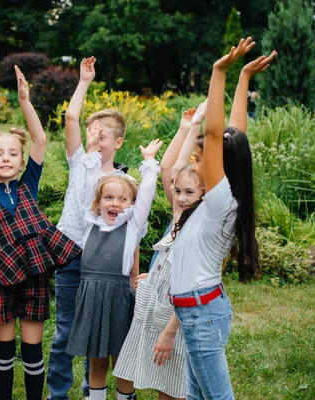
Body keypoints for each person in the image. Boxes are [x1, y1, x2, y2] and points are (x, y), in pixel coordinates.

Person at [169, 38, 277, 399]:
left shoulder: (219, 201)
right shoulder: (223, 196)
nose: (194, 164)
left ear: (218, 167)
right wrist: (243, 78)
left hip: (201, 314)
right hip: (197, 312)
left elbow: (216, 134)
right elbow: (233, 135)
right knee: (198, 395)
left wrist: (219, 73)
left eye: (200, 160)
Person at [0, 66, 80, 400]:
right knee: (3, 351)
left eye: (13, 154)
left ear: (21, 163)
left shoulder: (27, 186)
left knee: (32, 351)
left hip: (33, 277)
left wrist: (24, 100)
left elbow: (41, 139)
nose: (6, 158)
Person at [47, 57, 132, 400]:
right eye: (92, 132)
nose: (96, 138)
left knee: (95, 332)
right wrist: (84, 81)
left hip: (104, 265)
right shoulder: (79, 163)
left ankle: (91, 389)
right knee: (66, 331)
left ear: (119, 143)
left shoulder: (124, 183)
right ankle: (58, 394)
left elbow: (131, 232)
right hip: (71, 256)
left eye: (104, 135)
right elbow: (70, 116)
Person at [113, 101, 207, 400]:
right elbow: (170, 168)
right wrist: (188, 128)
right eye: (177, 191)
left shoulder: (201, 225)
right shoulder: (178, 215)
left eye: (189, 192)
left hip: (179, 312)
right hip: (156, 303)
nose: (180, 198)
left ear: (205, 194)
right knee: (155, 372)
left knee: (175, 378)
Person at [66, 123, 163, 400]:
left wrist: (148, 163)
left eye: (122, 199)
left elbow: (146, 195)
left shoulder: (132, 226)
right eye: (109, 197)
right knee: (96, 360)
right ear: (98, 202)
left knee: (123, 358)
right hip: (92, 296)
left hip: (120, 296)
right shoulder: (90, 222)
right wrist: (94, 151)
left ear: (131, 204)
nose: (115, 204)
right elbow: (88, 184)